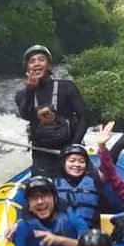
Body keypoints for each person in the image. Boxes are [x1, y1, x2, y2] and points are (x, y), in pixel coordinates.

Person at [54, 101, 124, 226]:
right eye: (72, 161)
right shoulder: (53, 183)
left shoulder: (95, 178)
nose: (77, 164)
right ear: (63, 163)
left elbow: (113, 154)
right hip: (63, 234)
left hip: (91, 234)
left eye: (81, 161)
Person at [14, 44, 88, 177]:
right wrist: (31, 91)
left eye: (41, 59)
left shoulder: (67, 87)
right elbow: (26, 115)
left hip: (71, 149)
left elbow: (84, 117)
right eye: (32, 61)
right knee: (40, 190)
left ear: (49, 66)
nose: (36, 64)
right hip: (42, 154)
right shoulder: (22, 95)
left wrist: (74, 147)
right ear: (27, 68)